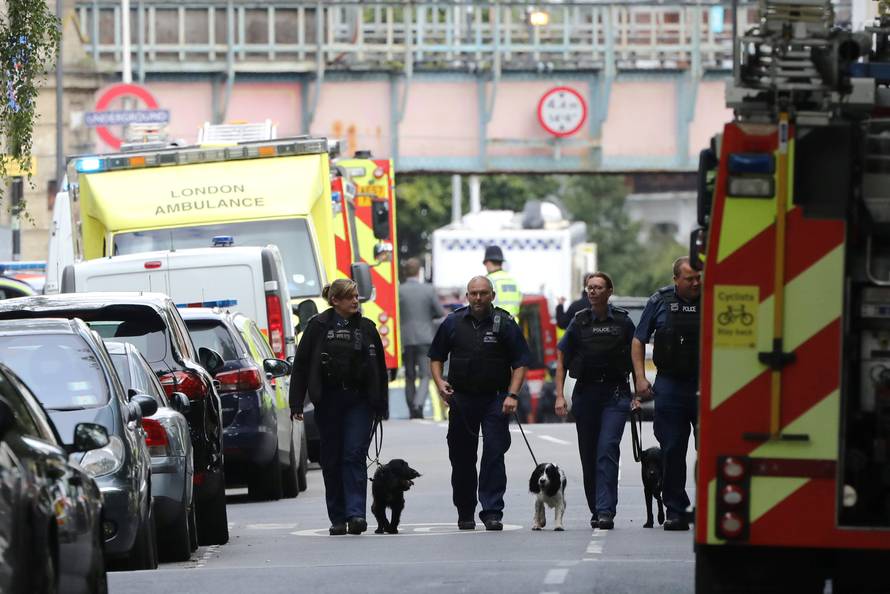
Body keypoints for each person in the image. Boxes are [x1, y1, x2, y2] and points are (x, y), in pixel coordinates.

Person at [429, 275, 531, 531]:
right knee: (462, 457)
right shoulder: (452, 322)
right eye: (473, 293)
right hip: (462, 399)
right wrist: (440, 383)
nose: (478, 298)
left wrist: (512, 395)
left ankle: (492, 511)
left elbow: (520, 363)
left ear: (492, 296)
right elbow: (436, 357)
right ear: (467, 296)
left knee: (494, 454)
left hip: (496, 399)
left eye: (483, 293)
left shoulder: (505, 323)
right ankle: (465, 511)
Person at [289, 278, 388, 536]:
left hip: (359, 402)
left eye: (357, 296)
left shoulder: (367, 328)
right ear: (335, 300)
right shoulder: (317, 327)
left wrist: (380, 404)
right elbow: (300, 366)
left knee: (354, 454)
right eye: (350, 297)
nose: (356, 300)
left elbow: (379, 369)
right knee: (331, 459)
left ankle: (356, 514)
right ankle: (338, 517)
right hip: (329, 402)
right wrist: (296, 402)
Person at [554, 272, 635, 530]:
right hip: (586, 395)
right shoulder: (579, 322)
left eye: (599, 287)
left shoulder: (623, 322)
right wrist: (558, 395)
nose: (593, 292)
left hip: (615, 394)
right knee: (588, 456)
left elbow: (636, 353)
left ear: (609, 291)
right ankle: (596, 508)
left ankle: (605, 511)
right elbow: (561, 359)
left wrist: (639, 384)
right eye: (590, 288)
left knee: (607, 450)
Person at [631, 256, 701, 531]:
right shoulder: (659, 301)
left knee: (709, 448)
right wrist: (639, 377)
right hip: (671, 385)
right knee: (672, 449)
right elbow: (638, 339)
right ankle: (676, 509)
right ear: (676, 280)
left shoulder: (716, 297)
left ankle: (710, 506)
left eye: (699, 277)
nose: (697, 283)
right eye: (690, 279)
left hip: (708, 384)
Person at [399, 257, 446, 419]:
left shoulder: (399, 290)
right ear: (419, 271)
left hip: (405, 339)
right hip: (425, 337)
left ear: (405, 272)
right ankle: (418, 404)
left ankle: (411, 408)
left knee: (409, 375)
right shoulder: (428, 290)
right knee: (425, 374)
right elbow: (440, 313)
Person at [483, 245, 522, 319]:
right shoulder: (513, 280)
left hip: (495, 327)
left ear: (488, 262)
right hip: (513, 326)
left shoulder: (488, 281)